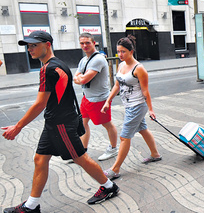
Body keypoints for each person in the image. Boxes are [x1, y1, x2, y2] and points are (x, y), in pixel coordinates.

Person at [1, 31, 119, 213]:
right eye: (28, 46)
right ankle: (32, 205)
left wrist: (18, 127)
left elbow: (40, 103)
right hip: (55, 122)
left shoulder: (48, 69)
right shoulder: (58, 64)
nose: (30, 49)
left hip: (61, 124)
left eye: (34, 45)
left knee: (80, 158)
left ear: (47, 44)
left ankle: (109, 186)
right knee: (40, 159)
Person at [102, 35, 162, 180]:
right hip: (128, 105)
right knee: (142, 129)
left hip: (137, 106)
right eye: (118, 52)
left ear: (131, 51)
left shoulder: (139, 68)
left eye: (123, 52)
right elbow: (117, 85)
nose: (120, 55)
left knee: (124, 137)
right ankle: (155, 154)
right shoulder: (121, 65)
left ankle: (115, 169)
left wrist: (151, 110)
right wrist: (108, 101)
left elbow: (145, 91)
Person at [73, 33, 119, 161]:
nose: (85, 45)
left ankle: (113, 149)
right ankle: (83, 150)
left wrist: (80, 78)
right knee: (83, 123)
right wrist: (79, 78)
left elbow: (83, 79)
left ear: (94, 43)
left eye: (87, 42)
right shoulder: (84, 60)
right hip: (86, 97)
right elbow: (76, 77)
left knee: (107, 124)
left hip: (99, 99)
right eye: (82, 43)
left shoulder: (98, 59)